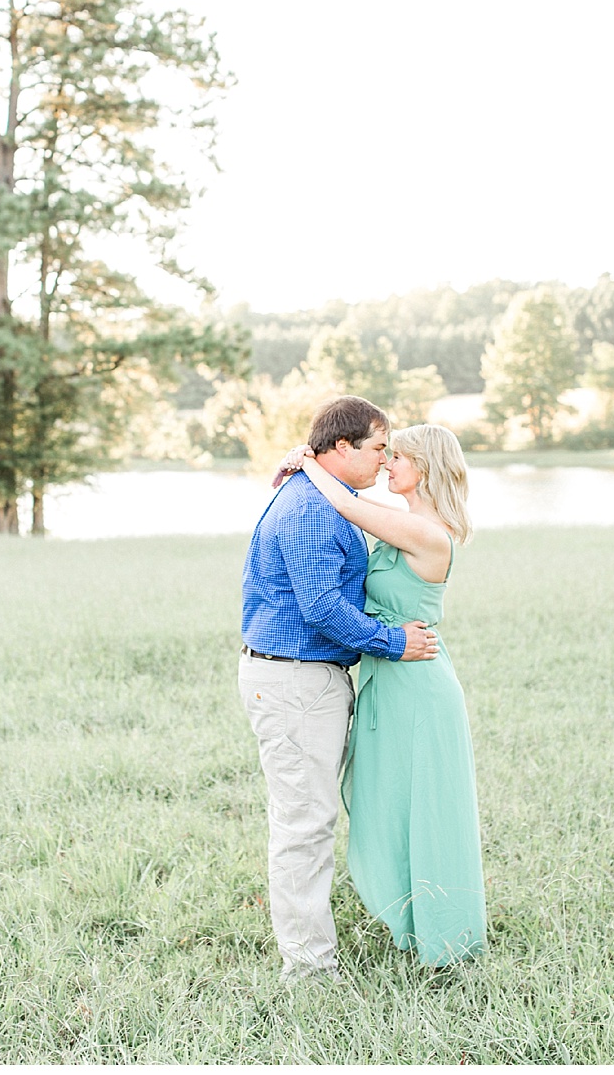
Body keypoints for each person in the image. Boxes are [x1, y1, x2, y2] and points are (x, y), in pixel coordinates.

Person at [238, 395, 439, 979]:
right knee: (304, 824)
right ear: (343, 446)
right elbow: (323, 605)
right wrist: (393, 641)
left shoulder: (326, 497)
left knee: (313, 815)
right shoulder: (309, 506)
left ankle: (314, 949)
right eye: (379, 447)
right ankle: (308, 969)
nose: (385, 459)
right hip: (293, 678)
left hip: (307, 678)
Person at [280, 422, 485, 967]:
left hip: (417, 687)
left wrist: (310, 465)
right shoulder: (406, 524)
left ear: (425, 467)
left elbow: (349, 509)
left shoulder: (428, 532)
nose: (388, 465)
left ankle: (446, 936)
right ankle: (410, 919)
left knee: (428, 807)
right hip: (387, 680)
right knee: (390, 802)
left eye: (399, 457)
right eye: (385, 454)